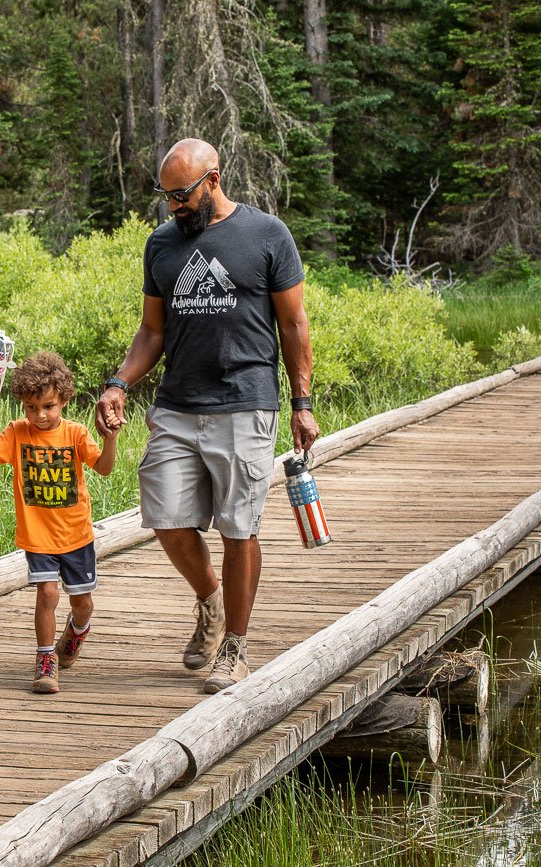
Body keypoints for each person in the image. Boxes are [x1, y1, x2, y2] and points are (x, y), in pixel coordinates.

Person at [95, 138, 320, 694]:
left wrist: (302, 400)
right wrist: (120, 381)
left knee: (237, 528)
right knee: (167, 518)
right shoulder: (162, 245)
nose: (173, 207)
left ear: (213, 180)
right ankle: (211, 602)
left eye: (181, 195)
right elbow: (153, 331)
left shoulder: (267, 235)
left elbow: (293, 325)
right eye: (166, 196)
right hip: (177, 403)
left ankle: (236, 648)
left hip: (246, 401)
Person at [0, 352, 119, 694]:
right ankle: (46, 659)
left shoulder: (75, 433)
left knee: (81, 601)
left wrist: (111, 439)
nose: (40, 415)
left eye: (48, 406)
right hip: (38, 536)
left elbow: (103, 468)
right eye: (31, 408)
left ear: (63, 399)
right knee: (47, 594)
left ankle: (78, 629)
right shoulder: (16, 432)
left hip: (77, 535)